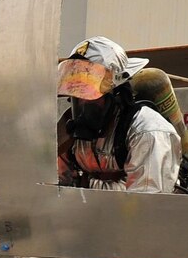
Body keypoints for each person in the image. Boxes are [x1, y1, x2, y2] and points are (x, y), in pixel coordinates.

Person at [56, 36, 181, 193]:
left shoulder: (148, 132)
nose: (82, 102)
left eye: (90, 91)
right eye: (77, 90)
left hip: (131, 213)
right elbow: (55, 188)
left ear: (117, 92)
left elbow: (147, 203)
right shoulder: (69, 130)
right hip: (92, 212)